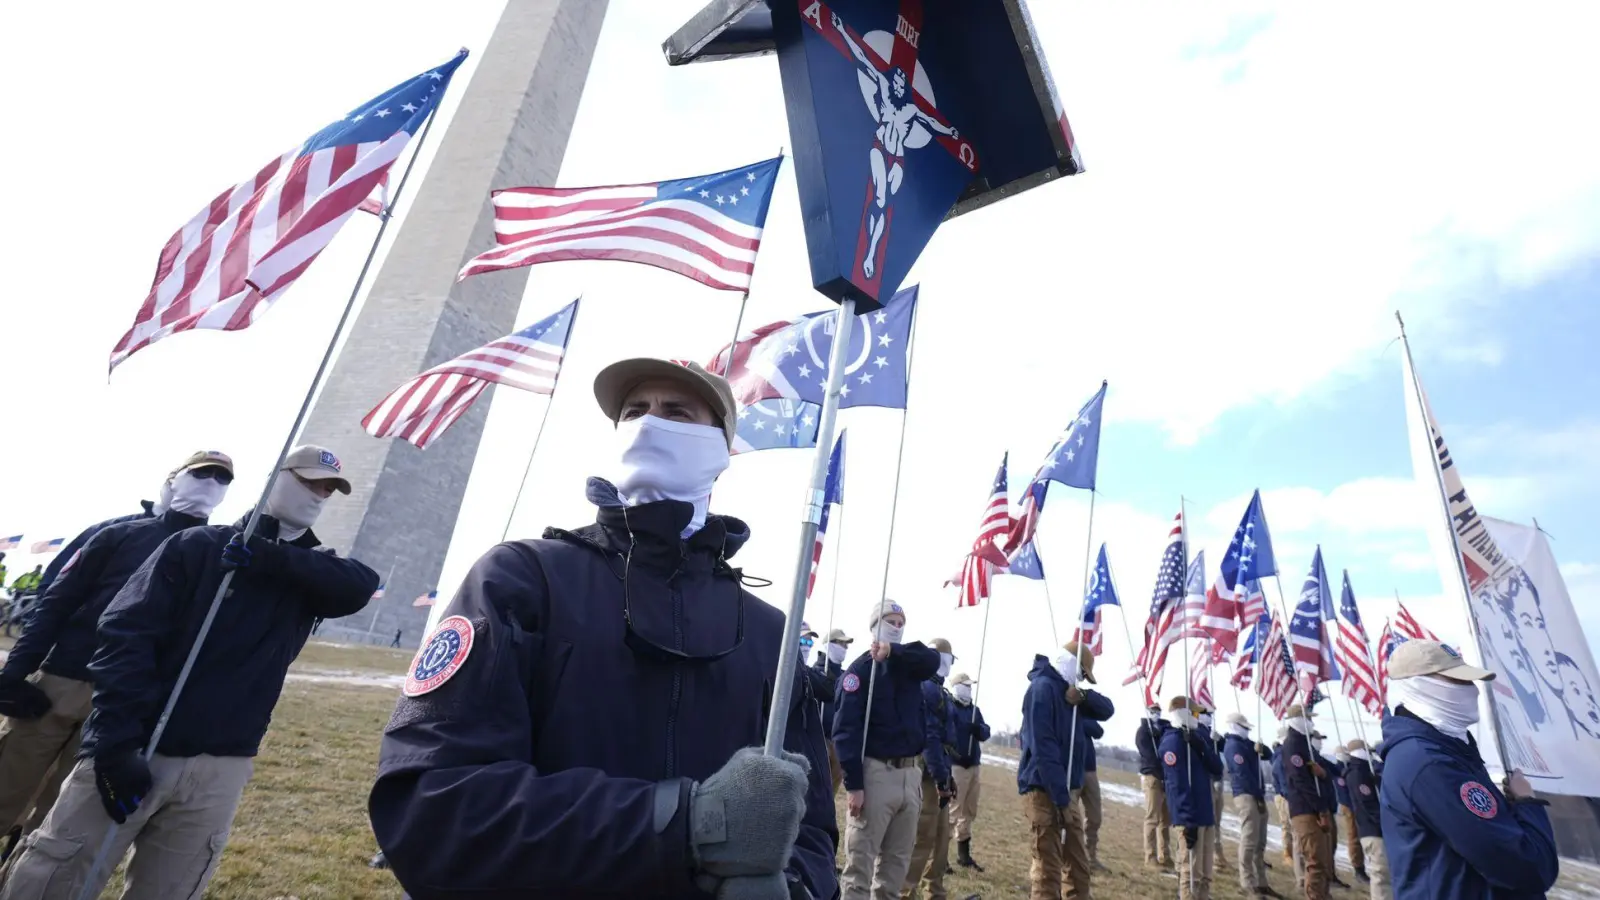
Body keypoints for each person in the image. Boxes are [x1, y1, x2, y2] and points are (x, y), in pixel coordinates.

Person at [369, 359, 838, 900]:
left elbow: (809, 828)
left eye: (676, 412)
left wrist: (795, 886)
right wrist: (682, 824)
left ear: (720, 450)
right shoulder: (522, 578)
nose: (649, 423)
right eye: (635, 411)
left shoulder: (769, 634)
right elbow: (434, 800)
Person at [0, 444, 377, 899]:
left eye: (328, 489)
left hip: (223, 763)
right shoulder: (196, 546)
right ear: (276, 478)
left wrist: (267, 557)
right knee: (54, 876)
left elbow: (359, 584)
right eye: (309, 481)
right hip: (141, 740)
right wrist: (116, 743)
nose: (318, 495)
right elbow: (123, 635)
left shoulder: (310, 573)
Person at [0, 451, 233, 860]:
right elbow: (56, 602)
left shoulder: (218, 553)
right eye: (201, 473)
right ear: (173, 480)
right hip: (61, 681)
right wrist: (14, 673)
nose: (210, 482)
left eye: (221, 478)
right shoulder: (116, 534)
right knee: (7, 785)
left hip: (123, 701)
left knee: (55, 819)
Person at [1379, 640, 1559, 899]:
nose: (1471, 690)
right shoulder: (1430, 764)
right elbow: (1527, 867)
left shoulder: (1447, 748)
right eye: (1457, 681)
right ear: (1420, 685)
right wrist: (1527, 803)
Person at [836, 600, 939, 900]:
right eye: (889, 621)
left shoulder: (909, 666)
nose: (896, 627)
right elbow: (846, 731)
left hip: (910, 776)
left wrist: (894, 651)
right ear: (874, 625)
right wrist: (854, 785)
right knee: (859, 869)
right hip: (875, 774)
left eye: (900, 622)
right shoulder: (860, 671)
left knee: (895, 870)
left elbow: (931, 659)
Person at [1017, 642, 1112, 900]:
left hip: (1065, 791)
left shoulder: (1070, 695)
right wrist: (1060, 797)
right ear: (1071, 663)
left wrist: (1082, 697)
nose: (1081, 680)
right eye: (1081, 673)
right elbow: (1044, 748)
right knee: (1048, 867)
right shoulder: (1042, 690)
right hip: (1043, 789)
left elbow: (1107, 710)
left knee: (1078, 864)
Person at [903, 637, 956, 900]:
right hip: (927, 773)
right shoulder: (928, 689)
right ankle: (905, 891)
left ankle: (934, 891)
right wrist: (940, 777)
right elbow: (931, 737)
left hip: (939, 769)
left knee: (940, 837)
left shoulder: (938, 690)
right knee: (923, 837)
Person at [1159, 696, 1223, 900]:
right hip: (1190, 817)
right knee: (1191, 873)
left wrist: (1201, 746)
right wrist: (1187, 821)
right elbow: (1177, 785)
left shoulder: (1195, 739)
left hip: (1205, 813)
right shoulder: (1172, 743)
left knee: (1205, 874)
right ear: (1183, 714)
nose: (1198, 717)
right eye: (1195, 712)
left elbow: (1217, 768)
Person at [1222, 712, 1279, 898]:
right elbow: (1241, 773)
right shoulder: (1233, 746)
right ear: (1235, 726)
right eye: (1245, 727)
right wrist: (1257, 792)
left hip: (1258, 793)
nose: (1248, 731)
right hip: (1247, 794)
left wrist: (1261, 748)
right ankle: (1247, 882)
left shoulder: (1247, 744)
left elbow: (1268, 755)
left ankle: (1261, 882)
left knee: (1260, 842)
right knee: (1249, 840)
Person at [1281, 704, 1329, 900]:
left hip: (1313, 808)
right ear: (1297, 720)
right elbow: (1300, 780)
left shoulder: (1305, 745)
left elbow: (1323, 771)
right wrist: (1321, 810)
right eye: (1307, 718)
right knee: (1315, 860)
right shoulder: (1292, 745)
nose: (1311, 722)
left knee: (1323, 860)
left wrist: (1323, 773)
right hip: (1305, 809)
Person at [946, 671, 988, 872]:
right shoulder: (949, 707)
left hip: (973, 766)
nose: (970, 689)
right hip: (956, 766)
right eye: (967, 686)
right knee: (952, 811)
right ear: (957, 686)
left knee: (969, 811)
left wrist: (979, 729)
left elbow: (985, 730)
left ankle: (964, 855)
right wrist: (965, 728)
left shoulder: (974, 710)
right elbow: (949, 731)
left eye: (971, 686)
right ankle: (940, 856)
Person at [1342, 740, 1388, 900]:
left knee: (1386, 874)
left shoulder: (1364, 771)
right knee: (1381, 875)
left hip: (1374, 829)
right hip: (1373, 830)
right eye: (1367, 751)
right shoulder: (1357, 774)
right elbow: (1368, 804)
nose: (1370, 754)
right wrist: (1386, 824)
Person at [814, 627, 854, 796]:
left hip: (838, 740)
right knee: (815, 788)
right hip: (819, 737)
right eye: (840, 643)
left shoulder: (847, 675)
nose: (844, 648)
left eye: (846, 645)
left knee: (831, 791)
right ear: (828, 645)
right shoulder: (816, 672)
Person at [1136, 705, 1173, 869]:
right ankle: (1150, 857)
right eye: (1152, 711)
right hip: (1152, 776)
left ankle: (1165, 855)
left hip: (1167, 778)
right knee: (1152, 818)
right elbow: (1147, 754)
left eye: (1158, 711)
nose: (1156, 714)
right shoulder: (1143, 732)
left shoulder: (1166, 731)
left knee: (1166, 820)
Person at [1334, 744, 1368, 883]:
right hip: (1349, 806)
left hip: (1355, 805)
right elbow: (1343, 792)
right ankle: (1357, 867)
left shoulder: (1348, 767)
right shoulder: (1338, 769)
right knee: (1353, 835)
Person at [1198, 706, 1226, 868]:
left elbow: (1223, 747)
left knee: (1217, 820)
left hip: (1217, 779)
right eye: (1206, 714)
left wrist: (1219, 740)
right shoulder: (1199, 733)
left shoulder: (1211, 733)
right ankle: (1210, 854)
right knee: (1209, 820)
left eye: (1210, 715)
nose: (1209, 717)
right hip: (1206, 781)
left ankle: (1217, 853)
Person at [1080, 718, 1106, 873]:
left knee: (1095, 816)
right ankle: (1067, 856)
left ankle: (1090, 856)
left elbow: (1098, 732)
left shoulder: (1083, 710)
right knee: (1069, 816)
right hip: (1069, 768)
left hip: (1089, 769)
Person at [1270, 729, 1293, 867]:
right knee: (1287, 825)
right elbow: (1281, 776)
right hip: (1283, 795)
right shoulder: (1280, 757)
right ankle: (1287, 854)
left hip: (1286, 793)